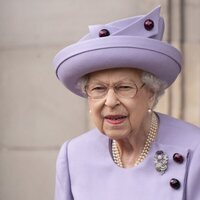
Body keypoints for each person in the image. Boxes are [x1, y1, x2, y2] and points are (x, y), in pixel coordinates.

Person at [53, 6, 200, 200]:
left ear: (151, 92)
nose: (111, 101)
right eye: (98, 89)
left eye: (124, 87)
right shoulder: (73, 154)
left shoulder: (195, 148)